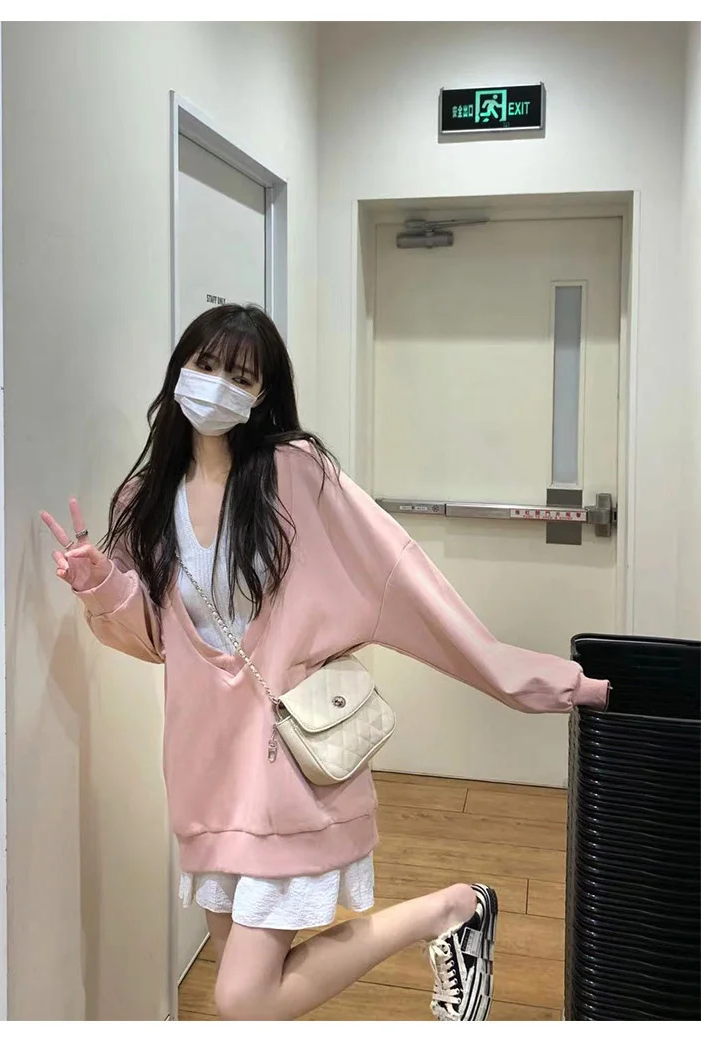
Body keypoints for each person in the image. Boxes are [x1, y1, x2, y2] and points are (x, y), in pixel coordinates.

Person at [41, 304, 609, 1022]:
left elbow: (401, 578)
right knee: (255, 1000)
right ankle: (451, 913)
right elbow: (156, 637)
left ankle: (450, 910)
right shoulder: (146, 498)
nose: (217, 385)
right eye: (205, 365)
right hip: (205, 774)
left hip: (289, 769)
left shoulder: (295, 476)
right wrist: (99, 582)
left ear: (261, 394)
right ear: (179, 369)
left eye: (240, 375)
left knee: (243, 999)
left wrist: (542, 679)